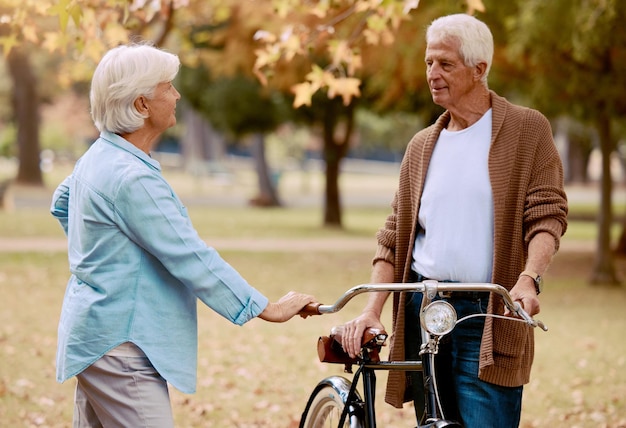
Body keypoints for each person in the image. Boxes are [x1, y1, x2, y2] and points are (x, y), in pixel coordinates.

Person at [50, 43, 316, 428]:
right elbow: (191, 255)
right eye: (168, 87)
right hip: (121, 346)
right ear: (141, 105)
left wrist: (102, 257)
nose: (176, 95)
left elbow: (63, 204)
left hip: (96, 338)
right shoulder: (132, 177)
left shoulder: (98, 156)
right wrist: (266, 308)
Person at [340, 13, 568, 428]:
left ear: (480, 69)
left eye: (445, 64)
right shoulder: (422, 145)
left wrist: (529, 278)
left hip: (489, 317)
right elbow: (393, 238)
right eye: (429, 63)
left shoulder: (526, 130)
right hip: (425, 311)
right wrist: (373, 309)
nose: (432, 73)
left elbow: (547, 215)